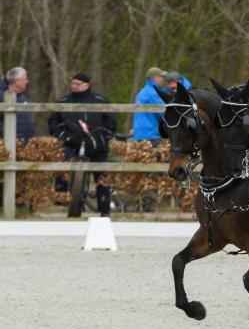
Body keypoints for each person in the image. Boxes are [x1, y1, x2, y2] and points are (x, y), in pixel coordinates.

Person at [47, 73, 117, 217]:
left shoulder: (100, 101)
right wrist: (62, 136)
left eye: (78, 84)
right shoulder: (63, 101)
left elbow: (111, 123)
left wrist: (104, 137)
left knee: (102, 176)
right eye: (72, 83)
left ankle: (104, 210)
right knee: (63, 169)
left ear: (87, 85)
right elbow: (54, 123)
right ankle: (65, 202)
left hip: (97, 145)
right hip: (71, 143)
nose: (74, 86)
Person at [131, 66, 167, 143]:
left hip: (140, 134)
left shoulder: (143, 92)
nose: (163, 79)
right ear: (154, 78)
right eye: (161, 77)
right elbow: (165, 112)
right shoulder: (153, 93)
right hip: (151, 135)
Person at [0, 67, 36, 141]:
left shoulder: (24, 98)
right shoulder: (2, 97)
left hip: (26, 144)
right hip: (8, 142)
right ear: (16, 81)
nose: (27, 81)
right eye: (25, 79)